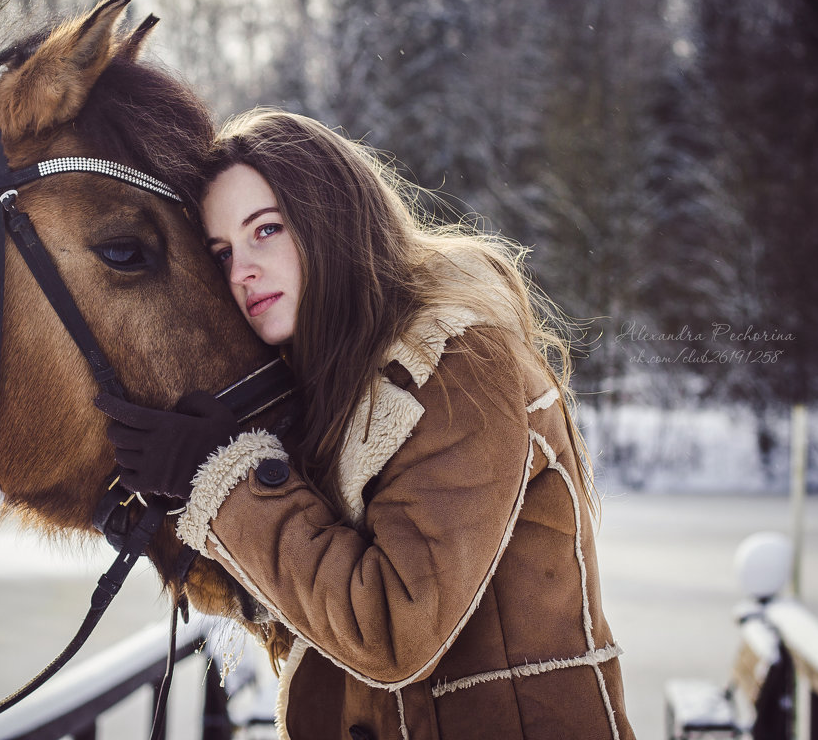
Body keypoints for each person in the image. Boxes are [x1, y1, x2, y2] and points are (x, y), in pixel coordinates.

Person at [95, 108, 635, 740]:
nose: (240, 271)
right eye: (221, 254)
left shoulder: (460, 365)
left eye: (265, 230)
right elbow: (316, 618)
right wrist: (187, 518)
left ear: (332, 219)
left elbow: (392, 631)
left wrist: (223, 479)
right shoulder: (332, 389)